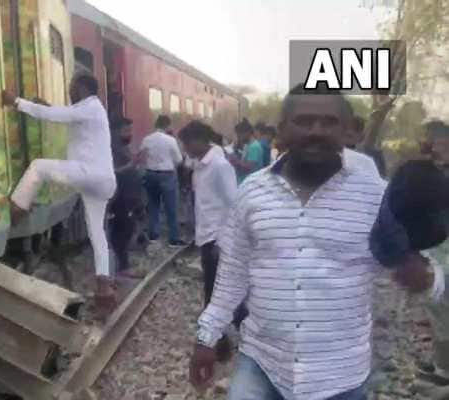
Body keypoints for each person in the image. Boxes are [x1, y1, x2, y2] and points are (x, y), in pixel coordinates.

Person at [189, 84, 438, 400]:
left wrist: (426, 277)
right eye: (304, 121)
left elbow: (425, 267)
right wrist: (206, 336)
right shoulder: (251, 192)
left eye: (329, 122)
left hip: (340, 377)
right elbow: (233, 274)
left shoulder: (377, 198)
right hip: (261, 366)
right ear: (283, 131)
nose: (316, 131)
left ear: (349, 132)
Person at [1, 74, 118, 314]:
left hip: (89, 174)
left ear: (83, 88)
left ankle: (16, 211)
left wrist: (17, 103)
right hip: (100, 181)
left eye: (71, 88)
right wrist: (48, 108)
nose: (69, 91)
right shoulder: (90, 110)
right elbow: (65, 115)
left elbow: (62, 116)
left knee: (38, 167)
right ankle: (104, 289)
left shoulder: (91, 107)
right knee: (97, 234)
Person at [370, 119, 449, 387]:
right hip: (431, 252)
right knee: (439, 310)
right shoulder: (420, 173)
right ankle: (443, 368)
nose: (434, 147)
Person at [179, 121, 243, 360]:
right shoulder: (200, 164)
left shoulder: (219, 165)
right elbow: (188, 164)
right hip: (206, 236)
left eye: (186, 144)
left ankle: (221, 344)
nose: (185, 150)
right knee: (216, 293)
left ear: (199, 141)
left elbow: (235, 204)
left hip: (218, 240)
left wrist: (224, 241)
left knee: (214, 294)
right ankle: (225, 340)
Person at [139, 115, 187, 247]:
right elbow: (178, 160)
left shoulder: (146, 139)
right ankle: (173, 238)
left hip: (150, 174)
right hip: (167, 175)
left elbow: (141, 157)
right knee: (171, 207)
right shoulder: (170, 140)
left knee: (153, 205)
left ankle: (154, 235)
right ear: (168, 125)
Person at [109, 116, 145, 278]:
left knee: (126, 229)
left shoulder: (123, 147)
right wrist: (132, 164)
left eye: (130, 130)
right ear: (115, 131)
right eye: (125, 130)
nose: (129, 133)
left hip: (128, 196)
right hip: (120, 197)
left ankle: (122, 265)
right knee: (123, 230)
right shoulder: (112, 148)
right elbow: (112, 172)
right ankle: (122, 267)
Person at [228, 118, 265, 184]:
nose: (238, 137)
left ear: (247, 133)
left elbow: (249, 167)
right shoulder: (247, 146)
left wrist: (236, 161)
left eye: (240, 134)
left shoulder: (254, 147)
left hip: (251, 184)